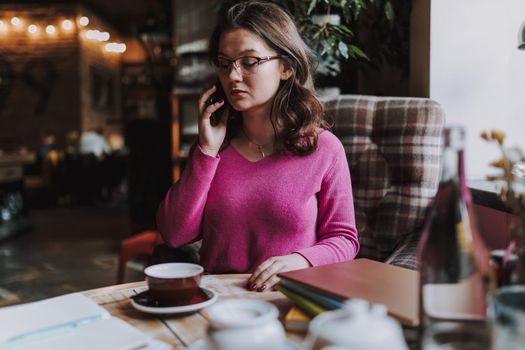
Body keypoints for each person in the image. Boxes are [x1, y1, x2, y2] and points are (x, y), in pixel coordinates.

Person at [157, 0, 358, 292]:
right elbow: (174, 234)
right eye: (225, 64)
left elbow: (344, 239)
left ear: (286, 67)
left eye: (249, 62)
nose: (233, 76)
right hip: (218, 303)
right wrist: (206, 152)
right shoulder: (212, 148)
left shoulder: (324, 149)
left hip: (289, 298)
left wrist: (300, 260)